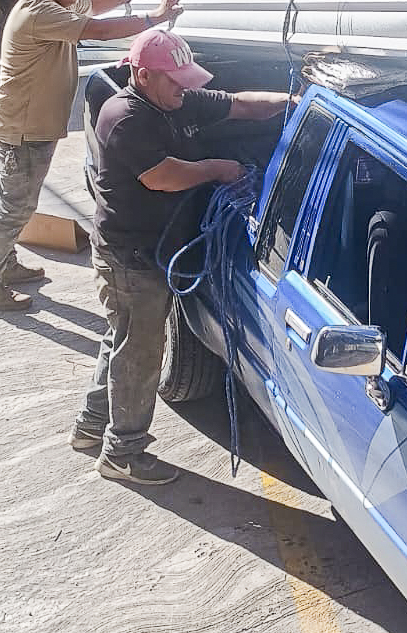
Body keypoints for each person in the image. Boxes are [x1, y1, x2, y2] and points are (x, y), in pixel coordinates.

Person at [71, 25, 291, 486]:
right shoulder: (127, 118)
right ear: (144, 75)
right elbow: (162, 177)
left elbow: (239, 104)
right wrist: (218, 169)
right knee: (141, 353)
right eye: (177, 79)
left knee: (124, 340)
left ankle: (93, 424)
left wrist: (295, 101)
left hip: (148, 249)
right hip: (130, 257)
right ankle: (123, 453)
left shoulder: (174, 99)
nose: (187, 87)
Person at [0, 0, 187, 313]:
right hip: (24, 128)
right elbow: (98, 31)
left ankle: (2, 263)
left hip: (32, 124)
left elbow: (94, 5)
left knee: (17, 205)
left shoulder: (59, 1)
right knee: (15, 209)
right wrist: (153, 18)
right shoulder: (39, 12)